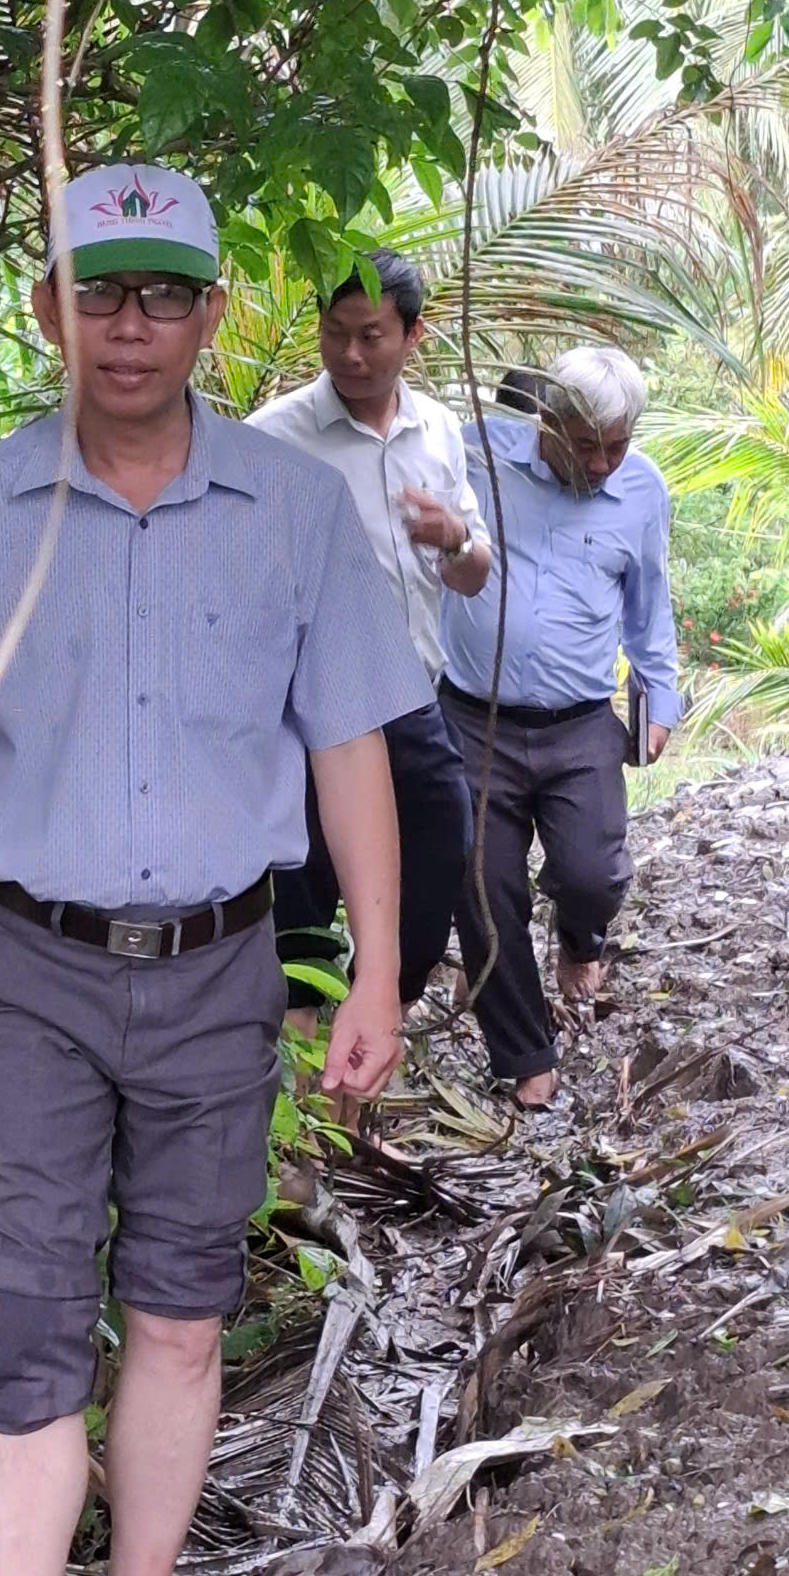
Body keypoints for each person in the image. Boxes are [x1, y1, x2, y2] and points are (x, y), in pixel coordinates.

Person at [0, 164, 431, 1576]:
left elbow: (351, 750)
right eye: (100, 294)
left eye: (164, 295)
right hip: (29, 969)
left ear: (212, 315)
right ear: (51, 311)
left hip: (222, 970)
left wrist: (378, 963)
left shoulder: (294, 511)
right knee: (31, 1325)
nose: (130, 327)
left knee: (178, 1317)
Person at [247, 250, 490, 1023]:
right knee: (305, 879)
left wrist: (453, 534)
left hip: (412, 697)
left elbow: (473, 574)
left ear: (413, 335)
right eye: (335, 333)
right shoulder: (272, 438)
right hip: (303, 703)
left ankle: (389, 997)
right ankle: (305, 1045)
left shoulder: (440, 433)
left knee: (443, 846)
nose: (351, 354)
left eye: (371, 336)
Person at [439, 344, 681, 1109]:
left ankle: (582, 937)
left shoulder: (642, 493)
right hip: (473, 720)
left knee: (593, 874)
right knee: (483, 888)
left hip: (581, 724)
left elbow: (650, 606)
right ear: (547, 422)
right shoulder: (477, 454)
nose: (604, 462)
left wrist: (660, 698)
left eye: (618, 445)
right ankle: (526, 1056)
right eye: (586, 446)